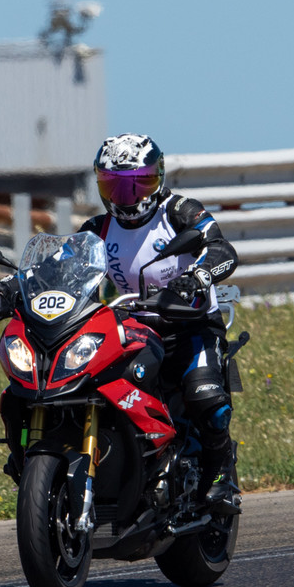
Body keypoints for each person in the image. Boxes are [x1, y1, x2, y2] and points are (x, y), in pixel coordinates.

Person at [78, 133, 242, 509]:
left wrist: (198, 276)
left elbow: (222, 248)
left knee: (205, 397)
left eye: (139, 183)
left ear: (159, 177)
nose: (129, 196)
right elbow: (66, 270)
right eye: (116, 186)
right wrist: (15, 286)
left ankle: (220, 473)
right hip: (131, 330)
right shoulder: (96, 230)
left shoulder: (180, 211)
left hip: (192, 325)